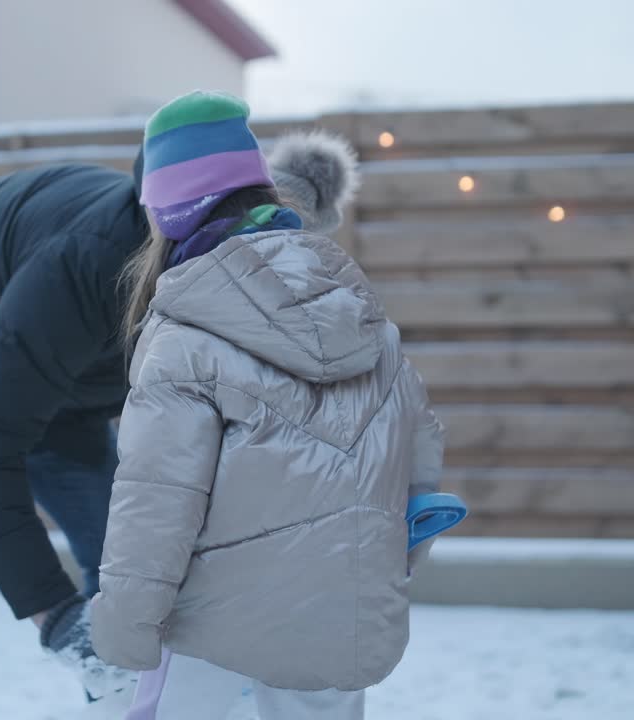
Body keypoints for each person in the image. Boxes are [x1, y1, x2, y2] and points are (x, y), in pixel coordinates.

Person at [0, 115, 357, 718]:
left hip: (56, 378)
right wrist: (58, 616)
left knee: (126, 557)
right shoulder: (87, 265)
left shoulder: (243, 286)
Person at [90, 91, 447, 720]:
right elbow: (416, 452)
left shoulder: (183, 329)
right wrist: (383, 565)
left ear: (166, 212)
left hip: (211, 620)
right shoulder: (350, 300)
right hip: (339, 607)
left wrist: (125, 623)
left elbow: (158, 498)